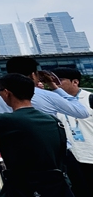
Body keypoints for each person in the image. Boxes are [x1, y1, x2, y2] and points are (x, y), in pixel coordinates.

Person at [0, 73, 73, 197]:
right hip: (56, 187)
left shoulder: (6, 121)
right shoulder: (52, 120)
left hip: (23, 187)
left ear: (6, 93)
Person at [0, 57, 87, 120]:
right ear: (33, 75)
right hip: (49, 150)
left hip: (9, 151)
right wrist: (54, 87)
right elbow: (81, 113)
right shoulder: (48, 95)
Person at [53, 67, 93, 196]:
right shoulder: (55, 103)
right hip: (72, 157)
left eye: (59, 80)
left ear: (75, 82)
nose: (54, 84)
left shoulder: (90, 99)